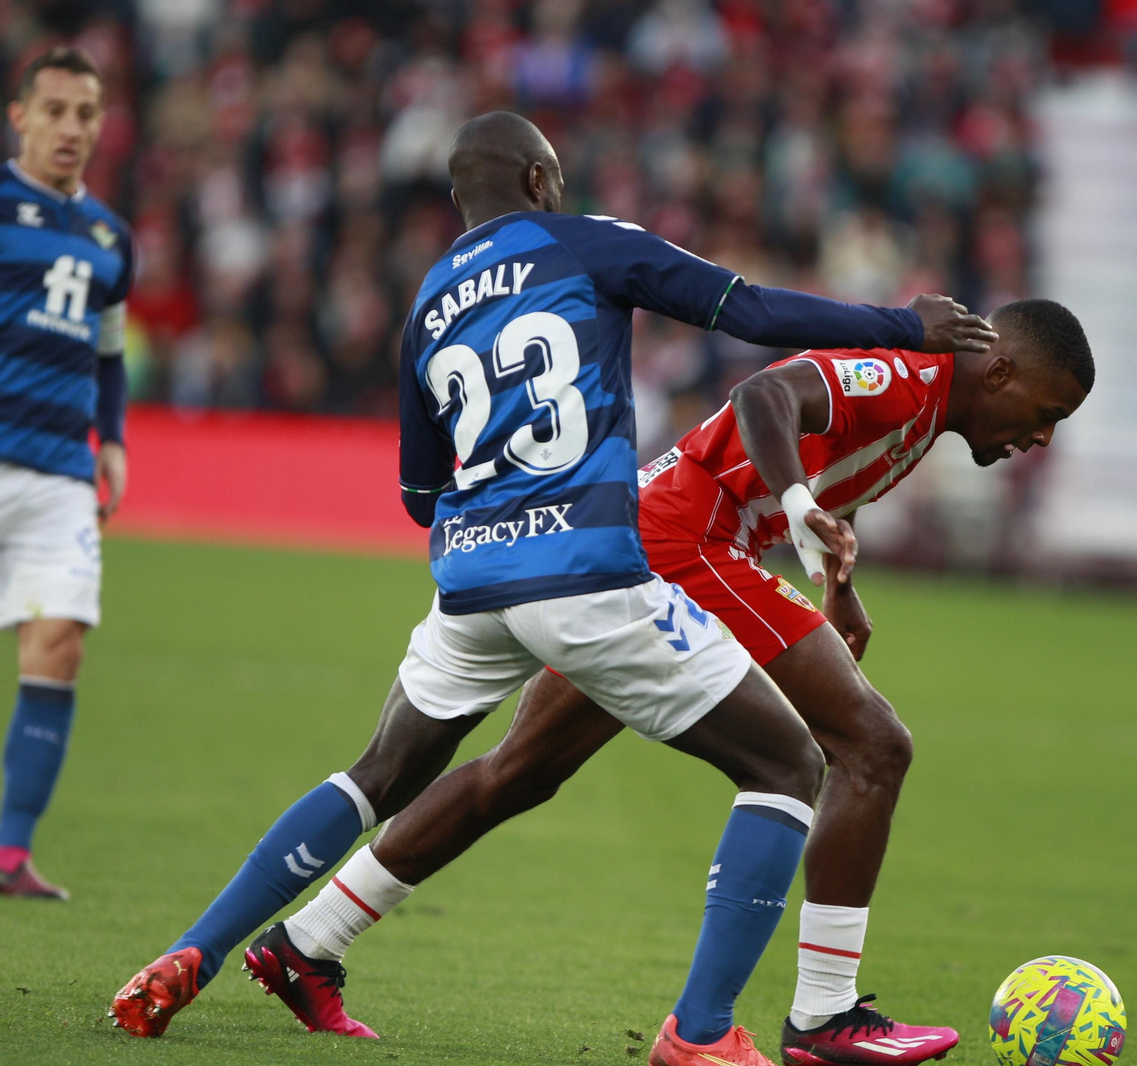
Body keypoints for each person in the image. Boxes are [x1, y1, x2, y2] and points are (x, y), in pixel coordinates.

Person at [109, 111, 996, 1066]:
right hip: (583, 571)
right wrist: (903, 325)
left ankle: (194, 949)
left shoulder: (429, 303)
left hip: (469, 580)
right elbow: (748, 313)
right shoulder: (587, 243)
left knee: (377, 775)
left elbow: (418, 492)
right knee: (785, 766)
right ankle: (702, 1035)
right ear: (539, 180)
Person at [254, 299, 1093, 1066]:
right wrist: (799, 507)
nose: (1042, 437)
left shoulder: (927, 411)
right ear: (1001, 373)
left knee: (521, 770)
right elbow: (769, 396)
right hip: (690, 540)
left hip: (650, 536)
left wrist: (835, 577)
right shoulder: (910, 376)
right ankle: (824, 1016)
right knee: (872, 745)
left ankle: (307, 942)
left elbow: (820, 458)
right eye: (1047, 414)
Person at [0, 46, 133, 901]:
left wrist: (112, 439)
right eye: (54, 110)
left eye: (86, 113)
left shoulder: (112, 237)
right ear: (20, 117)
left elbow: (112, 354)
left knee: (60, 645)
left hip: (56, 476)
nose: (72, 129)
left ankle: (9, 856)